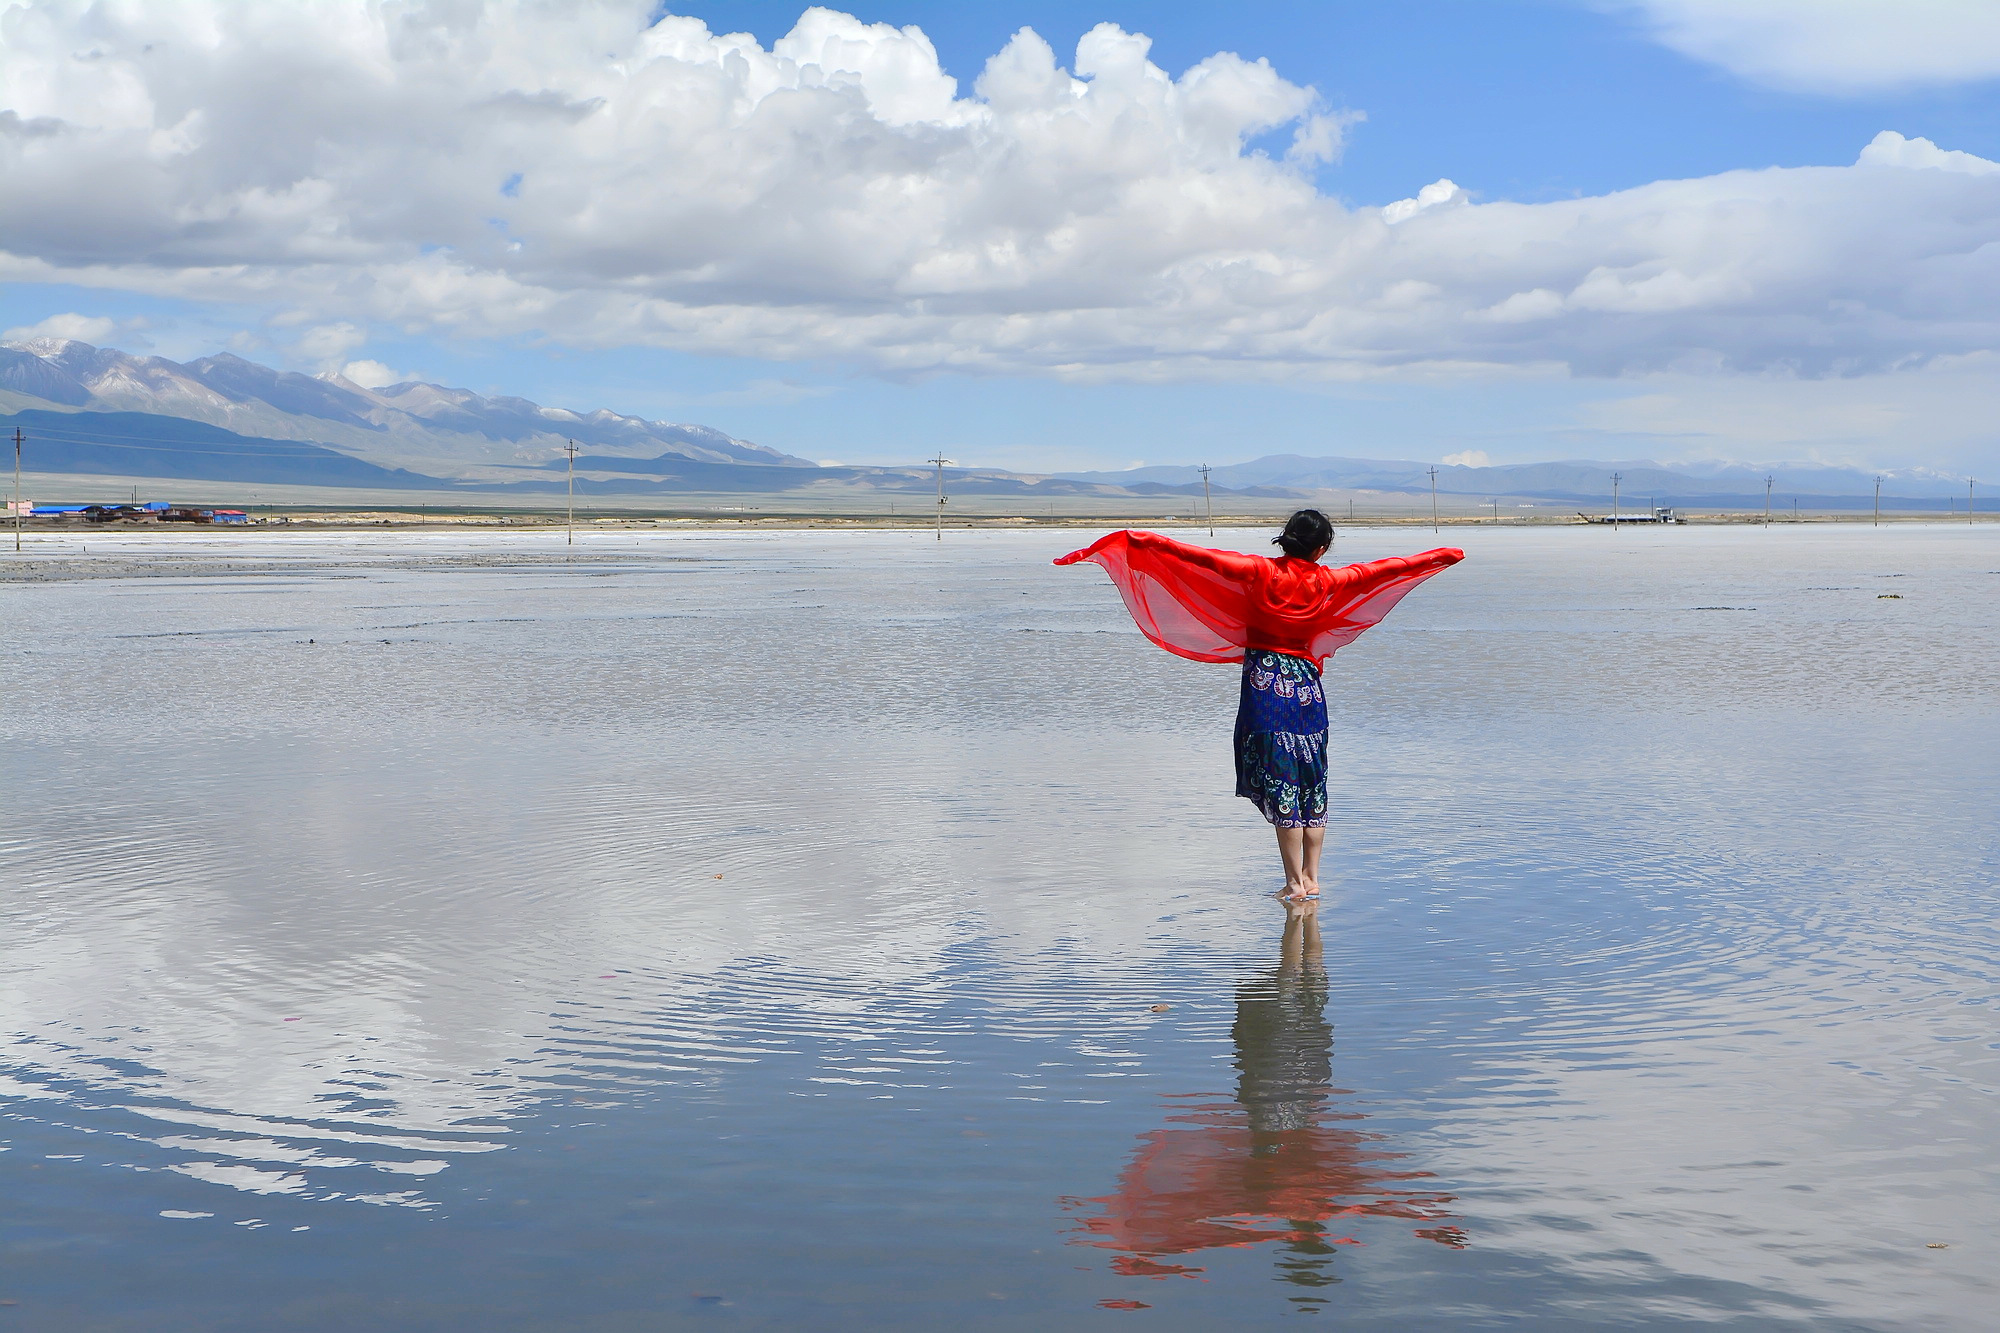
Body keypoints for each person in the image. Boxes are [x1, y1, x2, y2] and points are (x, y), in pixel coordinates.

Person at [1055, 511, 1463, 900]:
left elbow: (1198, 557)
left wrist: (1140, 540)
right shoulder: (1332, 580)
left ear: (1287, 538)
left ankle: (1293, 884)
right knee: (1311, 784)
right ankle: (1312, 879)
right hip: (1307, 690)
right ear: (1322, 549)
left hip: (1266, 690)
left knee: (1281, 780)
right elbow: (1390, 568)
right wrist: (1442, 556)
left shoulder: (1259, 570)